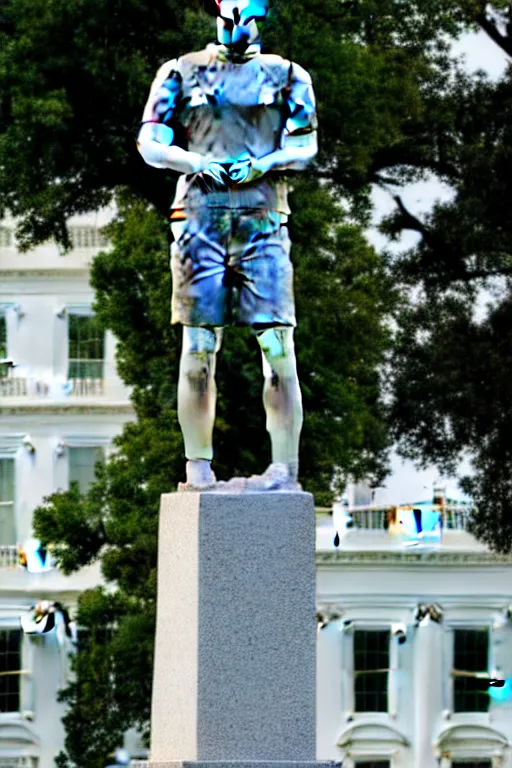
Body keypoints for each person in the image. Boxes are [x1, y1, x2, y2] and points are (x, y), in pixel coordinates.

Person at [138, 0, 317, 490]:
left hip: (263, 218)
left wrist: (263, 163)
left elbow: (306, 146)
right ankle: (198, 467)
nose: (239, 24)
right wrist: (193, 161)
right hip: (199, 218)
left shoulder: (286, 75)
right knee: (197, 345)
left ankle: (285, 467)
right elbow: (149, 142)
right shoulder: (181, 71)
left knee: (278, 344)